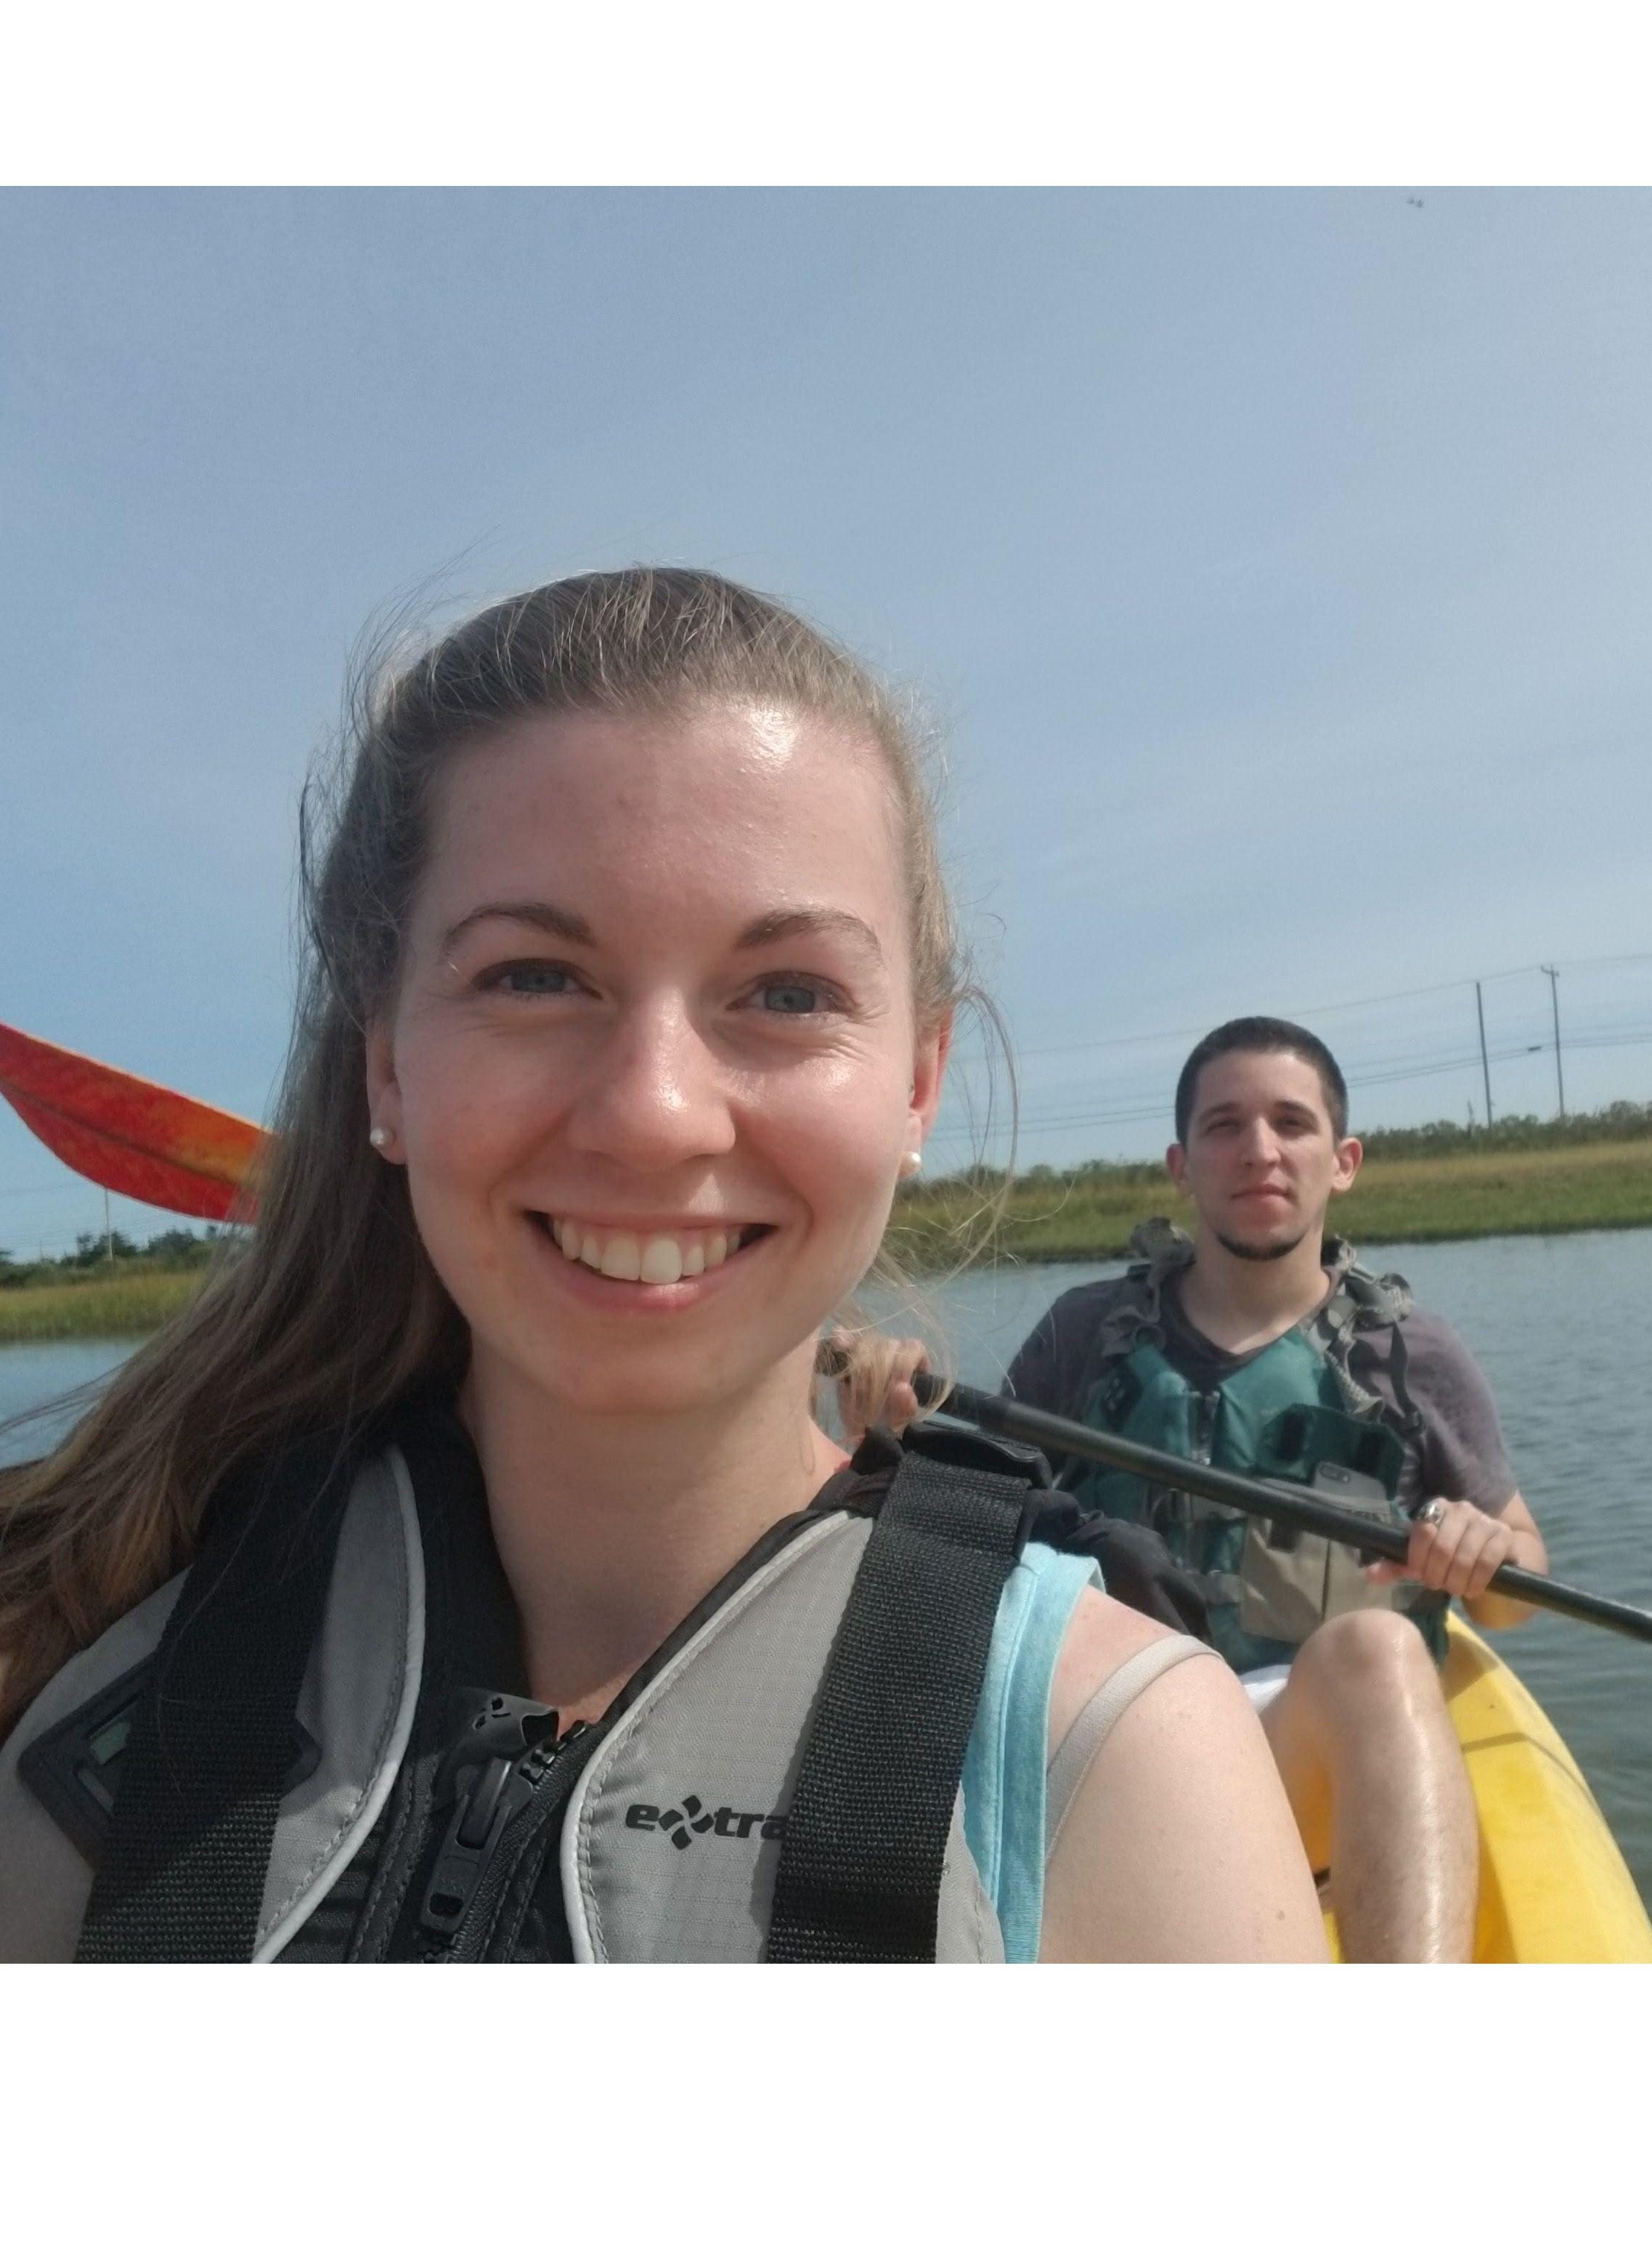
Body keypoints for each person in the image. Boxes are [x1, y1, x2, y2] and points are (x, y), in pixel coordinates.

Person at [0, 569, 1324, 1964]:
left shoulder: (1117, 1766)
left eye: (789, 994)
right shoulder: (91, 1690)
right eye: (532, 977)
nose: (654, 1114)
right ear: (387, 1066)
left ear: (917, 1084)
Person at [841, 1017, 1551, 1962]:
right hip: (1104, 1743)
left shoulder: (1412, 1356)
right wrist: (883, 1429)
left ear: (1342, 1161)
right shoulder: (1084, 1332)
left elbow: (1516, 1586)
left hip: (1298, 1749)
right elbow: (973, 1516)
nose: (1259, 1149)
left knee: (1380, 1647)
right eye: (1224, 1125)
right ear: (1182, 1165)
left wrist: (1481, 1552)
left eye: (1291, 1123)